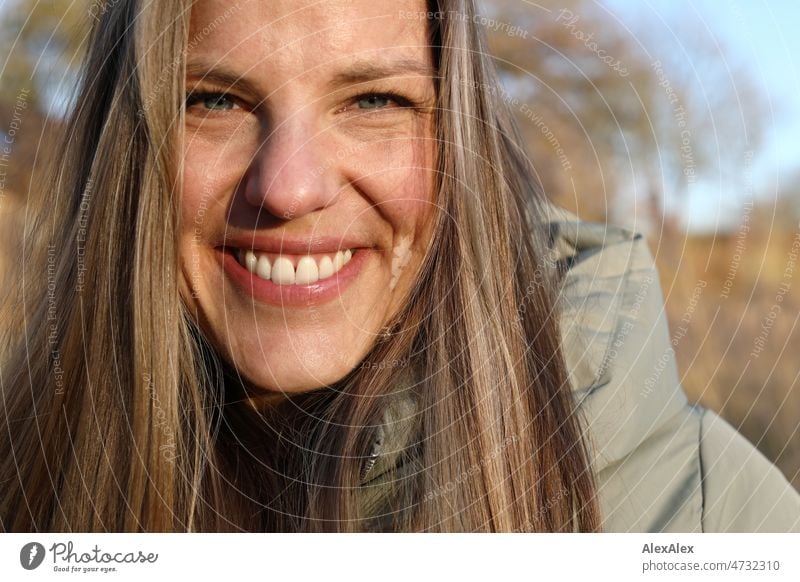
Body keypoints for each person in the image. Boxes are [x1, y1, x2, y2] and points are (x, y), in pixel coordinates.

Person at [1, 0, 797, 533]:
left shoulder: (709, 519)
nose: (289, 188)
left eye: (374, 101)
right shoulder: (25, 485)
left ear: (461, 143)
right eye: (212, 100)